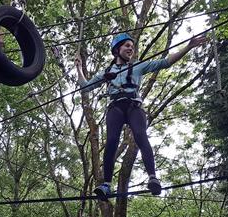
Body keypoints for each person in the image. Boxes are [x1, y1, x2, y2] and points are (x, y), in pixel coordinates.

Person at [75, 33, 207, 200]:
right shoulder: (107, 72)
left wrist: (188, 47)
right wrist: (79, 68)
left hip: (133, 106)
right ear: (117, 49)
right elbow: (86, 87)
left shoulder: (139, 66)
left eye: (132, 46)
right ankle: (106, 185)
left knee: (140, 135)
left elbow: (165, 62)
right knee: (111, 141)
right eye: (127, 46)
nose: (131, 48)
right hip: (115, 107)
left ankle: (153, 178)